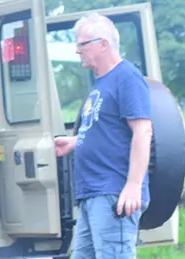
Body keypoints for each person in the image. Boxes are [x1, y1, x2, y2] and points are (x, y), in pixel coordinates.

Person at [53, 13, 152, 259]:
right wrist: (76, 142)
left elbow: (143, 131)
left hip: (112, 192)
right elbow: (109, 132)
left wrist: (133, 186)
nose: (77, 50)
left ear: (103, 44)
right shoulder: (101, 83)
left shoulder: (127, 77)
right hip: (92, 193)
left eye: (81, 44)